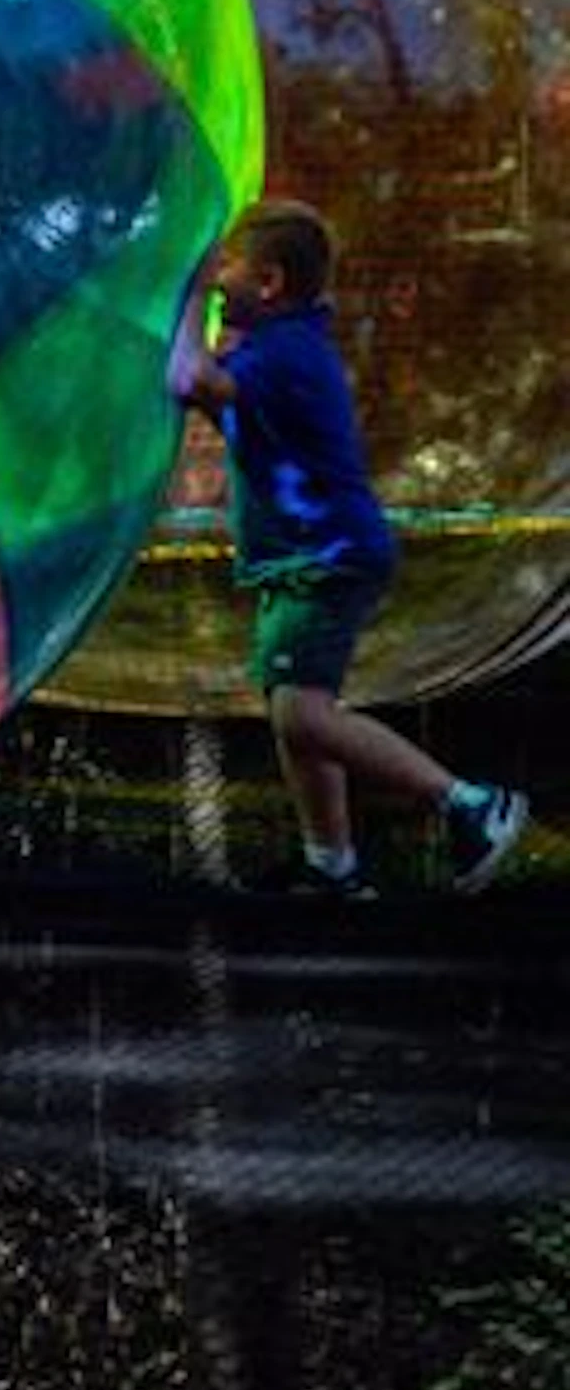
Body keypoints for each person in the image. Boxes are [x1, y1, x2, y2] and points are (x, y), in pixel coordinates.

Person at [171, 198, 530, 900]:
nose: (218, 284)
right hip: (304, 557)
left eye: (229, 272)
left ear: (269, 283)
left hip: (326, 557)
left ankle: (471, 805)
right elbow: (213, 394)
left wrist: (185, 291)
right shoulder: (276, 347)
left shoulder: (286, 353)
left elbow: (188, 379)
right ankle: (330, 864)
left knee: (301, 714)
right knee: (295, 713)